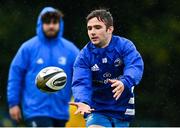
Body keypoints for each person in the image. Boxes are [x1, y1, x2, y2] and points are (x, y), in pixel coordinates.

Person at [70, 9, 144, 127]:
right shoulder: (84, 56)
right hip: (96, 110)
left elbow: (135, 66)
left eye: (97, 27)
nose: (92, 32)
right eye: (89, 28)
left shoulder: (125, 46)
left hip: (122, 110)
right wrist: (83, 101)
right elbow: (81, 83)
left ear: (110, 29)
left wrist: (125, 82)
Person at [7, 7, 79, 127]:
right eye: (47, 22)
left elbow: (83, 75)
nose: (51, 26)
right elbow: (15, 76)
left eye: (54, 22)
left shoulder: (70, 50)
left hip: (61, 112)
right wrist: (13, 103)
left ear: (60, 24)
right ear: (40, 24)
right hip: (35, 111)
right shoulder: (28, 48)